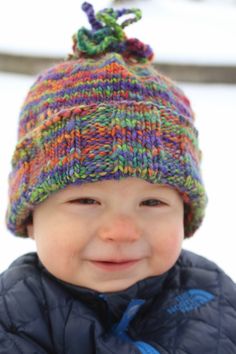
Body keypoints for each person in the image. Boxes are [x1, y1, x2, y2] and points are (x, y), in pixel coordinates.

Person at [1, 2, 235, 353]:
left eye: (152, 201)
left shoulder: (216, 297)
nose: (122, 231)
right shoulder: (12, 319)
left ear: (184, 214)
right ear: (31, 216)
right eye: (86, 200)